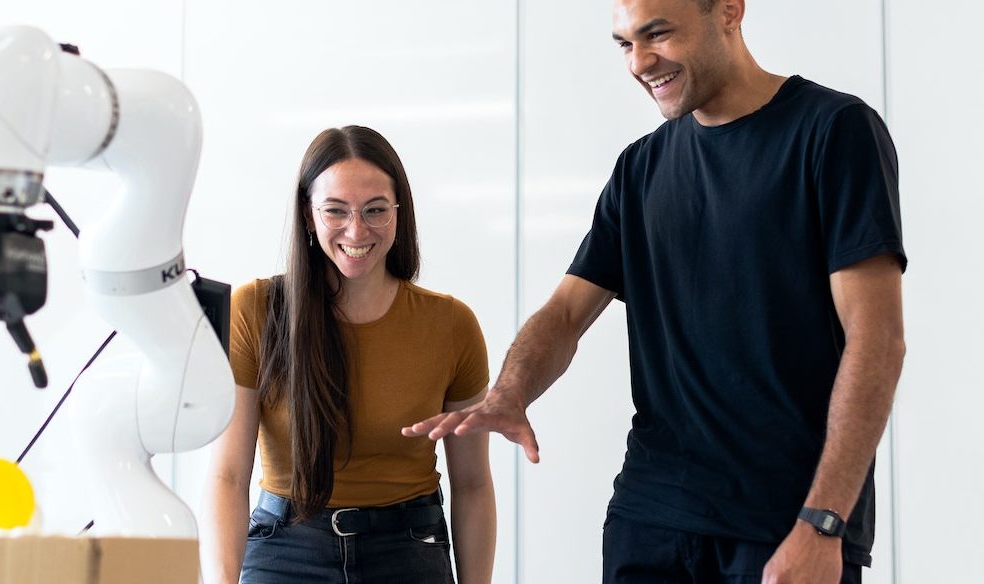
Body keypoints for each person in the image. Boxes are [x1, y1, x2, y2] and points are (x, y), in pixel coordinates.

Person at [405, 0, 906, 582]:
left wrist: (824, 523)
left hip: (783, 522)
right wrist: (509, 392)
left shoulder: (832, 131)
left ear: (729, 11)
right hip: (651, 518)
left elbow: (878, 341)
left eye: (658, 34)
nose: (640, 62)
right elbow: (567, 312)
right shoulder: (640, 168)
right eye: (624, 43)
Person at [203, 125, 496, 584]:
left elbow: (474, 484)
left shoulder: (452, 325)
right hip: (285, 546)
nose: (356, 230)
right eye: (335, 211)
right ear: (308, 214)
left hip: (409, 548)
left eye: (375, 210)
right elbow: (228, 475)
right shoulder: (254, 311)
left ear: (399, 212)